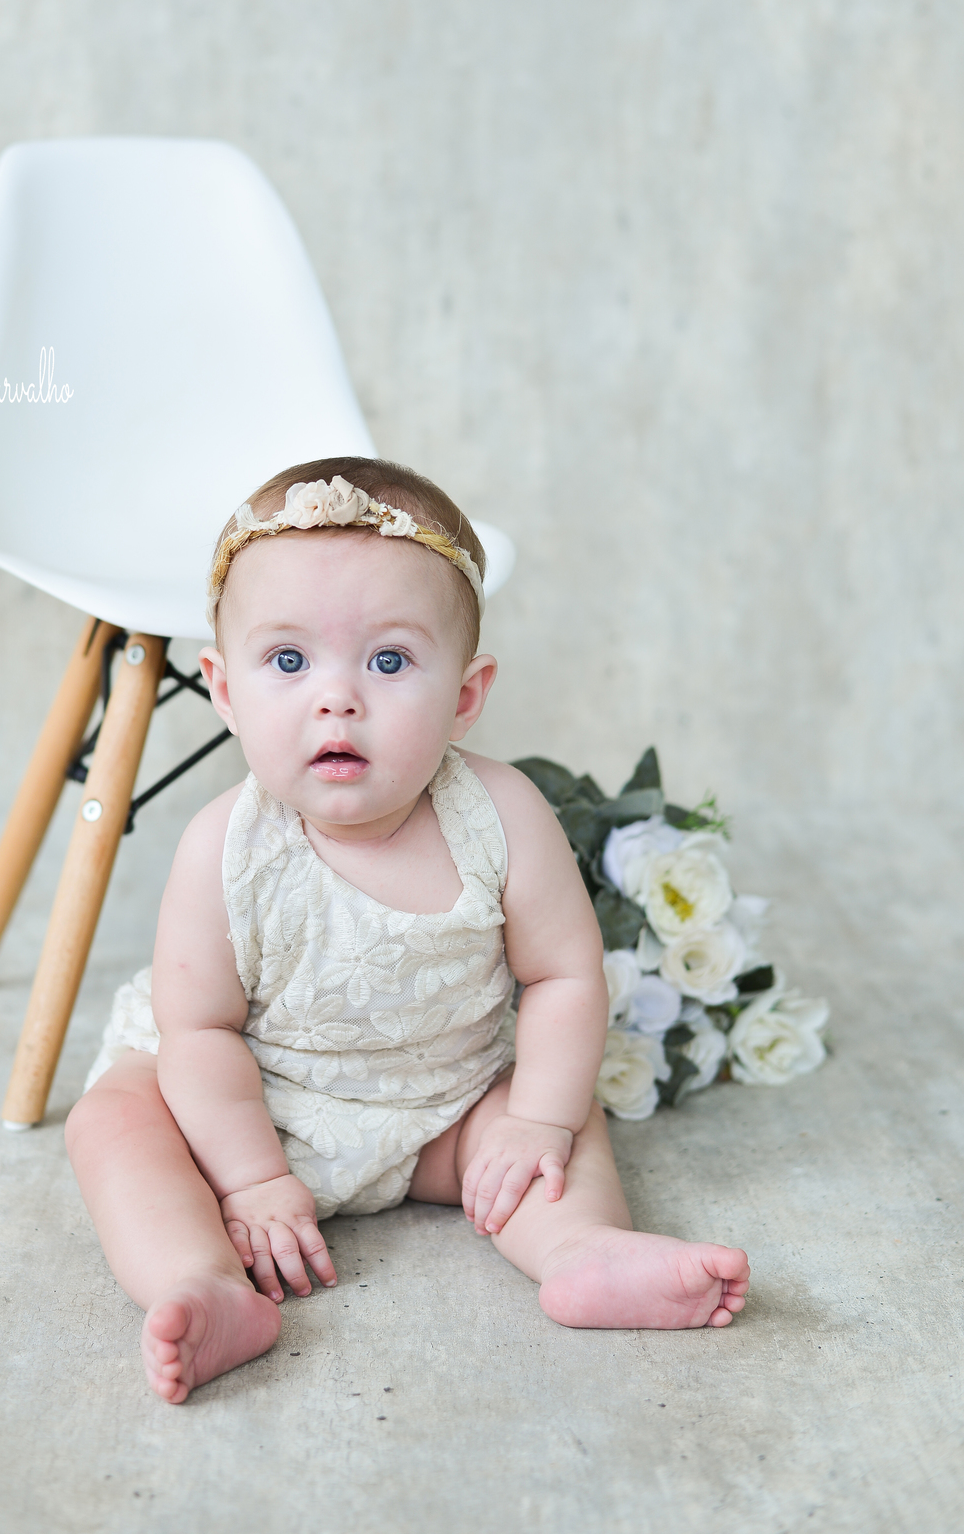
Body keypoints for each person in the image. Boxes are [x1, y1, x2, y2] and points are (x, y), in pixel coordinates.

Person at [66, 458, 750, 1404]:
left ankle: (580, 1249)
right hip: (247, 1110)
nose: (336, 698)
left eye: (388, 662)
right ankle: (203, 1280)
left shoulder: (501, 816)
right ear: (223, 689)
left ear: (465, 695)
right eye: (289, 662)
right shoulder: (222, 847)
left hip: (445, 1109)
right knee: (114, 1119)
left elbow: (563, 977)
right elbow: (200, 1031)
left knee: (559, 1109)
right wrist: (252, 1179)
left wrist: (537, 1119)